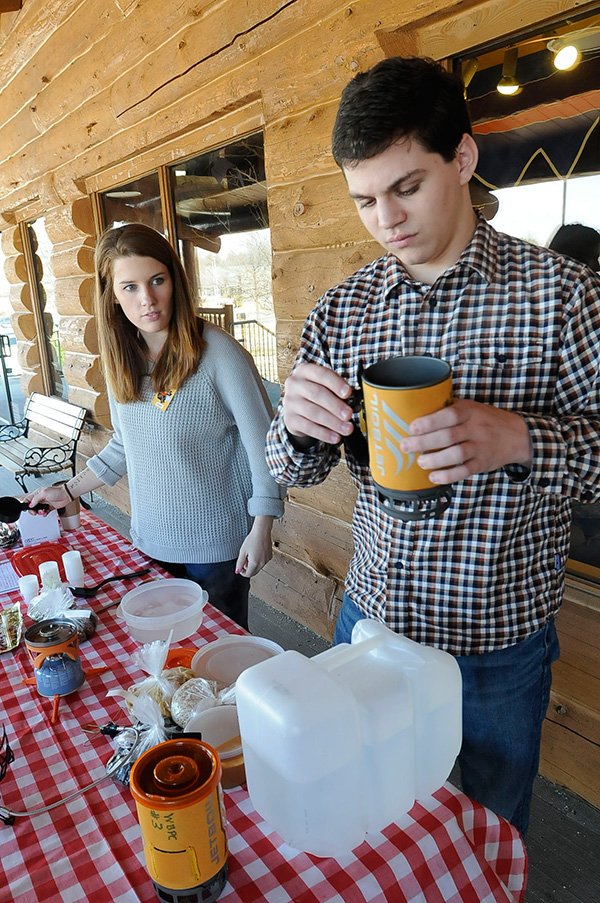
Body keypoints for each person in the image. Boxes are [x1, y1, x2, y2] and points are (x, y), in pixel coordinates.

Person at [265, 56, 600, 835]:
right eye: (365, 200)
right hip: (371, 625)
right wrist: (294, 426)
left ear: (463, 157)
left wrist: (520, 436)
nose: (386, 219)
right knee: (368, 823)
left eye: (406, 187)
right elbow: (292, 468)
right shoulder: (344, 310)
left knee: (487, 836)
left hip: (498, 645)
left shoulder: (565, 296)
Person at [28, 223, 284, 630]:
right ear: (111, 294)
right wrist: (68, 490)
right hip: (150, 542)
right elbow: (125, 447)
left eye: (157, 280)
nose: (147, 299)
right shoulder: (122, 361)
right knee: (167, 659)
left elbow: (266, 447)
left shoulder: (219, 353)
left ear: (174, 281)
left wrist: (262, 525)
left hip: (216, 551)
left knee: (217, 662)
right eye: (129, 287)